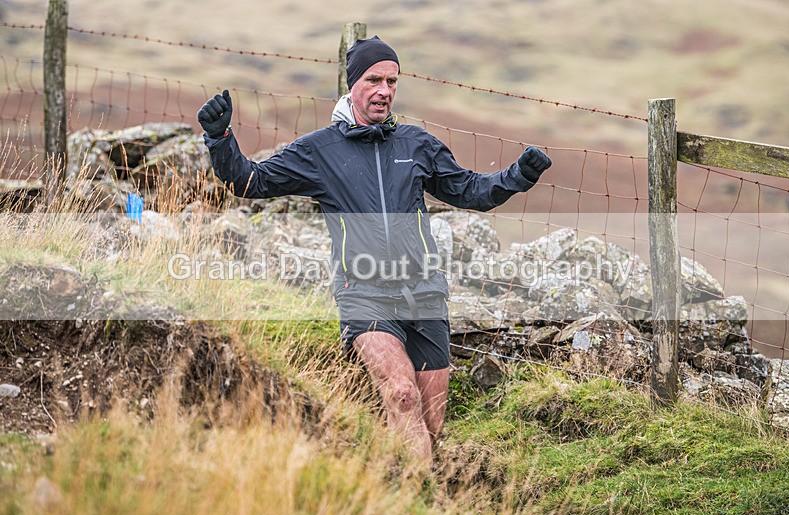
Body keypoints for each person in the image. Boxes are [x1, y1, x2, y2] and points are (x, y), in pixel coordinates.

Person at [197, 36, 551, 466]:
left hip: (424, 294)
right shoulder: (318, 151)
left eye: (392, 81)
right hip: (364, 293)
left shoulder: (416, 145)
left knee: (432, 425)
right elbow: (249, 182)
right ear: (353, 85)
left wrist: (517, 176)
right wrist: (220, 139)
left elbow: (469, 191)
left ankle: (407, 497)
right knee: (401, 396)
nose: (384, 90)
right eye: (374, 79)